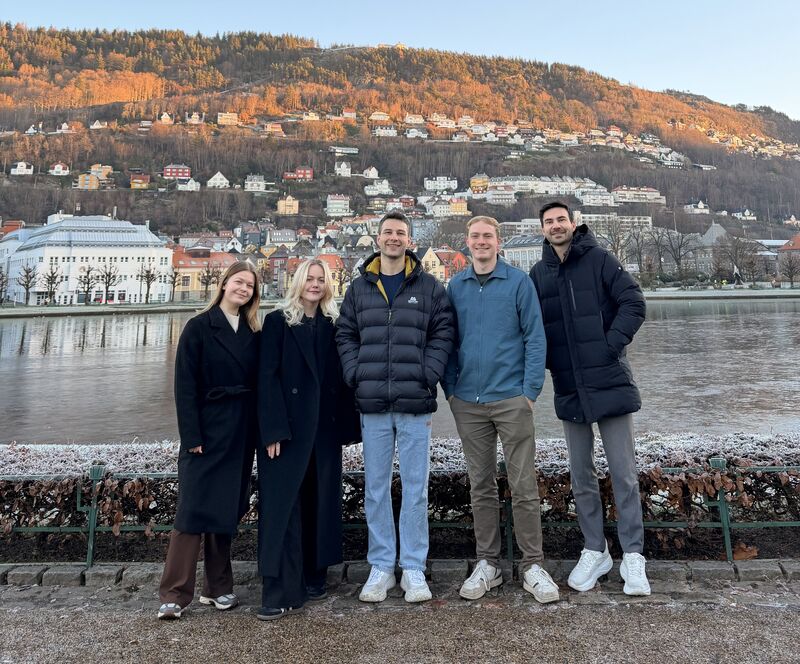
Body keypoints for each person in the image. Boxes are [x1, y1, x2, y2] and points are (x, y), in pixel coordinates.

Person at [530, 201, 650, 596]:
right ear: (543, 229)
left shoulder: (599, 259)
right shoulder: (538, 274)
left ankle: (633, 556)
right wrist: (549, 364)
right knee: (581, 475)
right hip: (569, 386)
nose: (556, 226)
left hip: (609, 380)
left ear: (573, 222)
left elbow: (634, 302)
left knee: (623, 473)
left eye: (561, 219)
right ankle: (595, 549)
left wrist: (609, 346)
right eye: (549, 222)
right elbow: (532, 330)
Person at [336, 211, 455, 603]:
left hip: (416, 402)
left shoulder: (430, 286)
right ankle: (383, 566)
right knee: (376, 489)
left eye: (400, 233)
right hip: (372, 404)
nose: (393, 238)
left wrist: (429, 371)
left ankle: (414, 568)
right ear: (377, 238)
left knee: (417, 489)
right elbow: (345, 334)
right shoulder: (359, 289)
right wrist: (355, 372)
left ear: (409, 241)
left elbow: (443, 331)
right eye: (387, 232)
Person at [443, 216, 559, 603]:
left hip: (511, 399)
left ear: (498, 241)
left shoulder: (518, 283)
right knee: (481, 486)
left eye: (487, 236)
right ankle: (488, 563)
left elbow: (535, 337)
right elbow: (445, 339)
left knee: (524, 484)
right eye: (475, 237)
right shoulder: (455, 285)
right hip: (468, 402)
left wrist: (529, 392)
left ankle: (532, 565)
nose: (481, 242)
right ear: (467, 242)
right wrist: (451, 389)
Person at [256, 259, 360, 621]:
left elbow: (345, 378)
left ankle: (317, 574)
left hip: (324, 430)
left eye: (321, 280)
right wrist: (271, 430)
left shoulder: (334, 324)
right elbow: (266, 377)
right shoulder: (277, 321)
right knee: (284, 507)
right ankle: (280, 586)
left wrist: (349, 428)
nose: (315, 285)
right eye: (309, 279)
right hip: (288, 431)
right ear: (298, 283)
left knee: (321, 501)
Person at [158, 262, 261, 619]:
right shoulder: (198, 327)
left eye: (249, 285)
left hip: (240, 430)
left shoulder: (253, 330)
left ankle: (218, 587)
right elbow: (184, 386)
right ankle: (173, 592)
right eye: (238, 282)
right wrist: (192, 436)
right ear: (224, 284)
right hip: (206, 429)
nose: (243, 289)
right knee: (192, 511)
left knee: (227, 508)